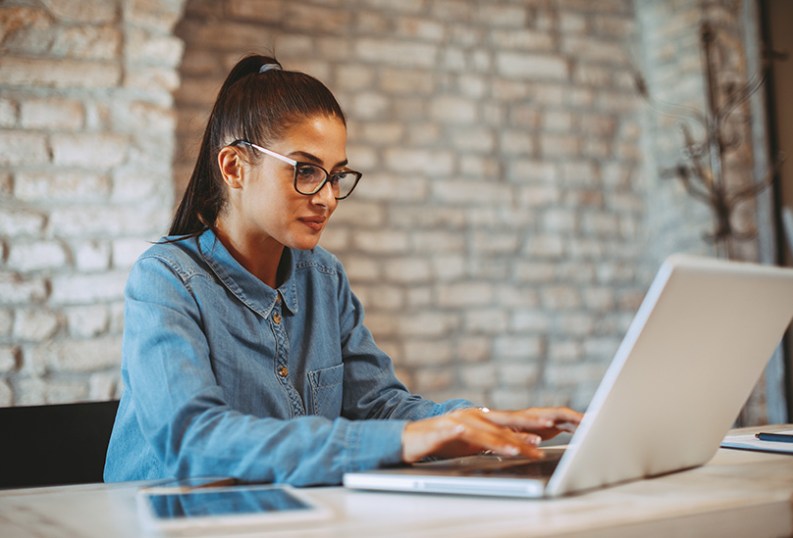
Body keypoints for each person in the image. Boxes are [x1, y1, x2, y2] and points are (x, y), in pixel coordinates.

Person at [104, 54, 582, 486]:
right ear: (233, 168)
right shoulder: (165, 280)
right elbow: (194, 441)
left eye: (335, 175)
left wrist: (476, 421)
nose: (328, 197)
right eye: (306, 170)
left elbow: (378, 405)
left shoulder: (322, 277)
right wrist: (404, 441)